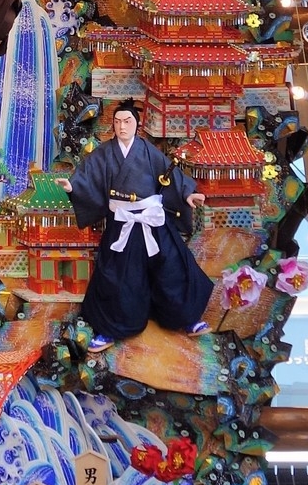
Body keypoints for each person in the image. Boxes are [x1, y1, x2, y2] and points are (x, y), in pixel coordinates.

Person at [65, 104, 214, 350]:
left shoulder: (149, 151)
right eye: (118, 122)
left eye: (127, 121)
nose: (122, 126)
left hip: (153, 220)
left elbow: (171, 177)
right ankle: (111, 328)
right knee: (118, 276)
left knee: (173, 266)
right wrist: (73, 188)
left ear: (137, 124)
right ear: (112, 125)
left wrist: (188, 194)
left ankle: (186, 318)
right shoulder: (104, 154)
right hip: (122, 221)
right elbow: (87, 177)